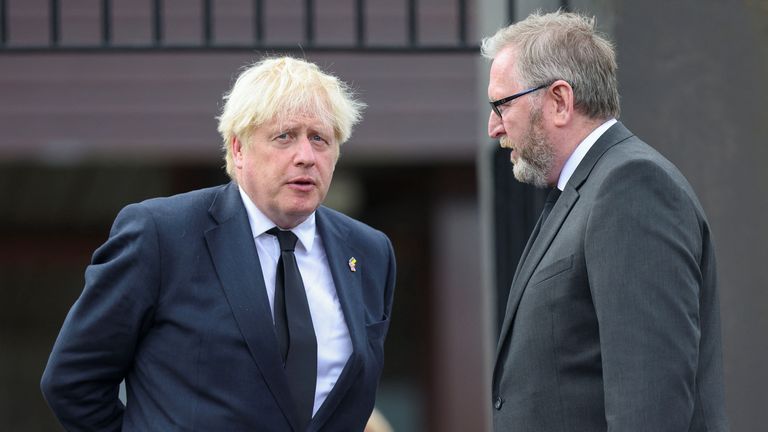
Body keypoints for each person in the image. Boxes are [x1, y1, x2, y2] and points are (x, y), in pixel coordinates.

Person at [40, 56, 396, 432]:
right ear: (238, 149)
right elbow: (72, 381)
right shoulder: (162, 234)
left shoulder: (369, 252)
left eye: (320, 139)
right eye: (284, 136)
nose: (306, 157)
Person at [484, 11, 727, 431]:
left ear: (559, 100)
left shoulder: (631, 186)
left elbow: (649, 404)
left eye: (502, 105)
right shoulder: (588, 188)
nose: (493, 127)